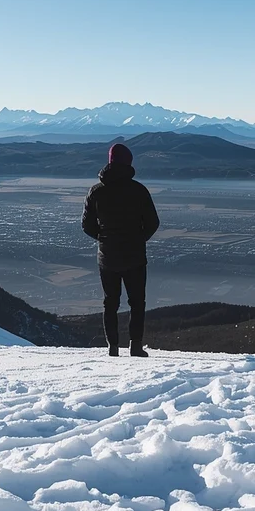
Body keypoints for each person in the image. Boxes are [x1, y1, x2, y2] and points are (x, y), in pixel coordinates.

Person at [82, 142, 160, 356]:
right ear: (129, 162)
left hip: (107, 257)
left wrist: (104, 239)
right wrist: (138, 239)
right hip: (135, 256)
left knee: (110, 302)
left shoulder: (96, 191)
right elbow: (153, 222)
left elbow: (86, 225)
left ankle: (113, 347)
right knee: (137, 301)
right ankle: (135, 346)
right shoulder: (139, 190)